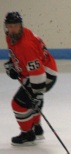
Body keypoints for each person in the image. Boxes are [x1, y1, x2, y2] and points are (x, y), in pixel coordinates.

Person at [3, 11, 58, 145]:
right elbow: (17, 55)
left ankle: (28, 134)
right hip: (34, 73)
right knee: (30, 101)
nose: (12, 29)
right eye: (9, 26)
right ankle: (37, 127)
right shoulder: (12, 37)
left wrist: (37, 94)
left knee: (18, 103)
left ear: (20, 25)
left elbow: (38, 72)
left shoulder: (27, 44)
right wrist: (11, 65)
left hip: (45, 75)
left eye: (15, 26)